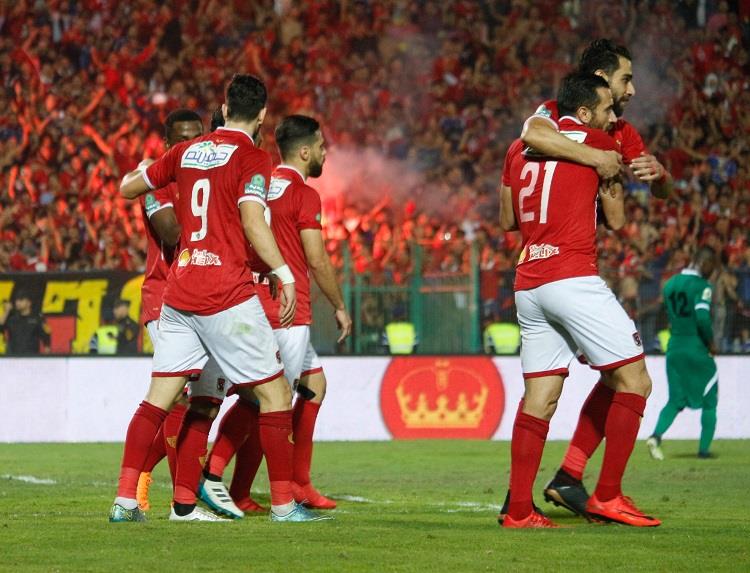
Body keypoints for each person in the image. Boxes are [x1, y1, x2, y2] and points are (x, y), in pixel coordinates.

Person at [111, 73, 328, 523]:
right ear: (262, 116)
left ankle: (127, 501)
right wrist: (283, 272)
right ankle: (284, 505)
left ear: (225, 109)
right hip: (226, 292)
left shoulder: (186, 152)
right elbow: (252, 220)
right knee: (274, 395)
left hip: (180, 292)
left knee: (159, 399)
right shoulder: (253, 157)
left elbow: (128, 188)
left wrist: (150, 170)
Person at [499, 72, 659, 528]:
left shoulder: (518, 148)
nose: (613, 117)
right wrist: (606, 175)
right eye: (608, 109)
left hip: (529, 281)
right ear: (586, 111)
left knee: (540, 398)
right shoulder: (600, 144)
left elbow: (508, 218)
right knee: (635, 381)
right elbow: (617, 219)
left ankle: (519, 511)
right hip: (571, 276)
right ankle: (607, 495)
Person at [195, 115, 352, 516]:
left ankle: (285, 484)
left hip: (255, 299)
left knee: (312, 386)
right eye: (321, 147)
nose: (325, 153)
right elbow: (316, 259)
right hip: (287, 308)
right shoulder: (303, 194)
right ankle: (215, 474)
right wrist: (338, 304)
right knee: (263, 400)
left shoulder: (261, 181)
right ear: (305, 151)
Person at [132, 109, 204, 511]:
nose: (189, 146)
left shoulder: (209, 180)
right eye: (181, 139)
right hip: (163, 300)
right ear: (167, 145)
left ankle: (146, 473)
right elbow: (173, 232)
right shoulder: (155, 182)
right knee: (179, 398)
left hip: (202, 298)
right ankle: (184, 502)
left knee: (201, 399)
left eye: (196, 138)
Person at [646, 247, 719, 460]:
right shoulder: (702, 286)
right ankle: (704, 451)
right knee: (710, 399)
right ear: (705, 263)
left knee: (675, 400)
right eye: (712, 266)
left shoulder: (670, 284)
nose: (712, 272)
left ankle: (655, 436)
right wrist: (711, 343)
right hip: (695, 347)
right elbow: (702, 317)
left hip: (674, 348)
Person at [0, 290, 50, 354]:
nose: (17, 302)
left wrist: (47, 353)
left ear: (29, 303)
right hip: (13, 356)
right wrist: (6, 311)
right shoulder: (12, 318)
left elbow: (46, 336)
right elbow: (0, 327)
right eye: (16, 300)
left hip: (31, 356)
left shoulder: (37, 319)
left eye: (21, 300)